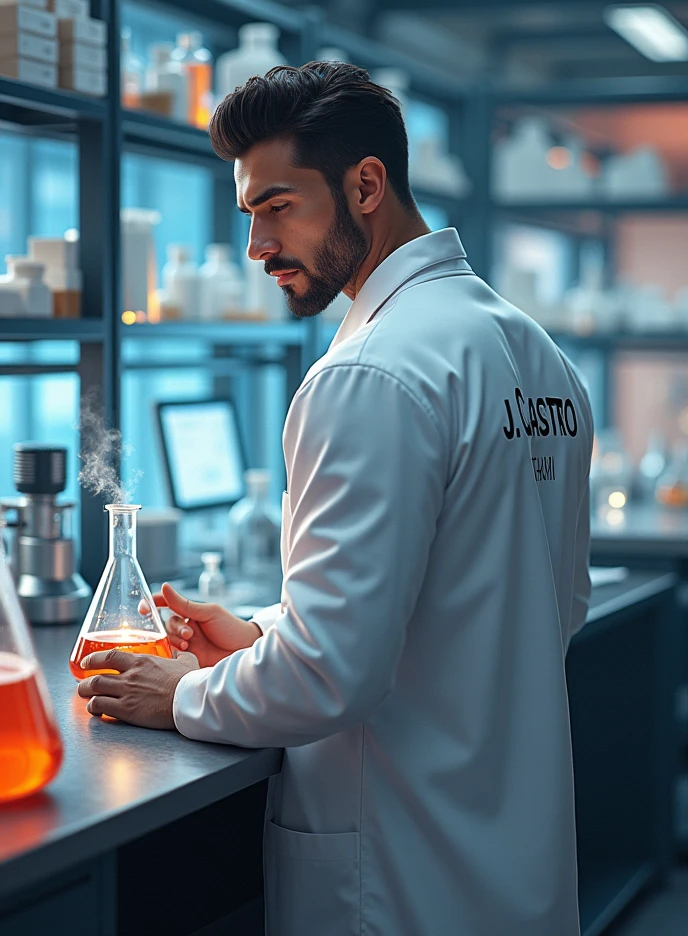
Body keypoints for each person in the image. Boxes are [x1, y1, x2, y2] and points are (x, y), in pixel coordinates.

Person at [78, 62, 594, 936]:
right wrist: (269, 636)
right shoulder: (535, 355)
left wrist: (183, 695)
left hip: (402, 874)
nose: (257, 246)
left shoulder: (368, 375)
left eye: (278, 206)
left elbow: (329, 679)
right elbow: (541, 607)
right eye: (248, 213)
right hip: (512, 861)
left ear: (365, 184)